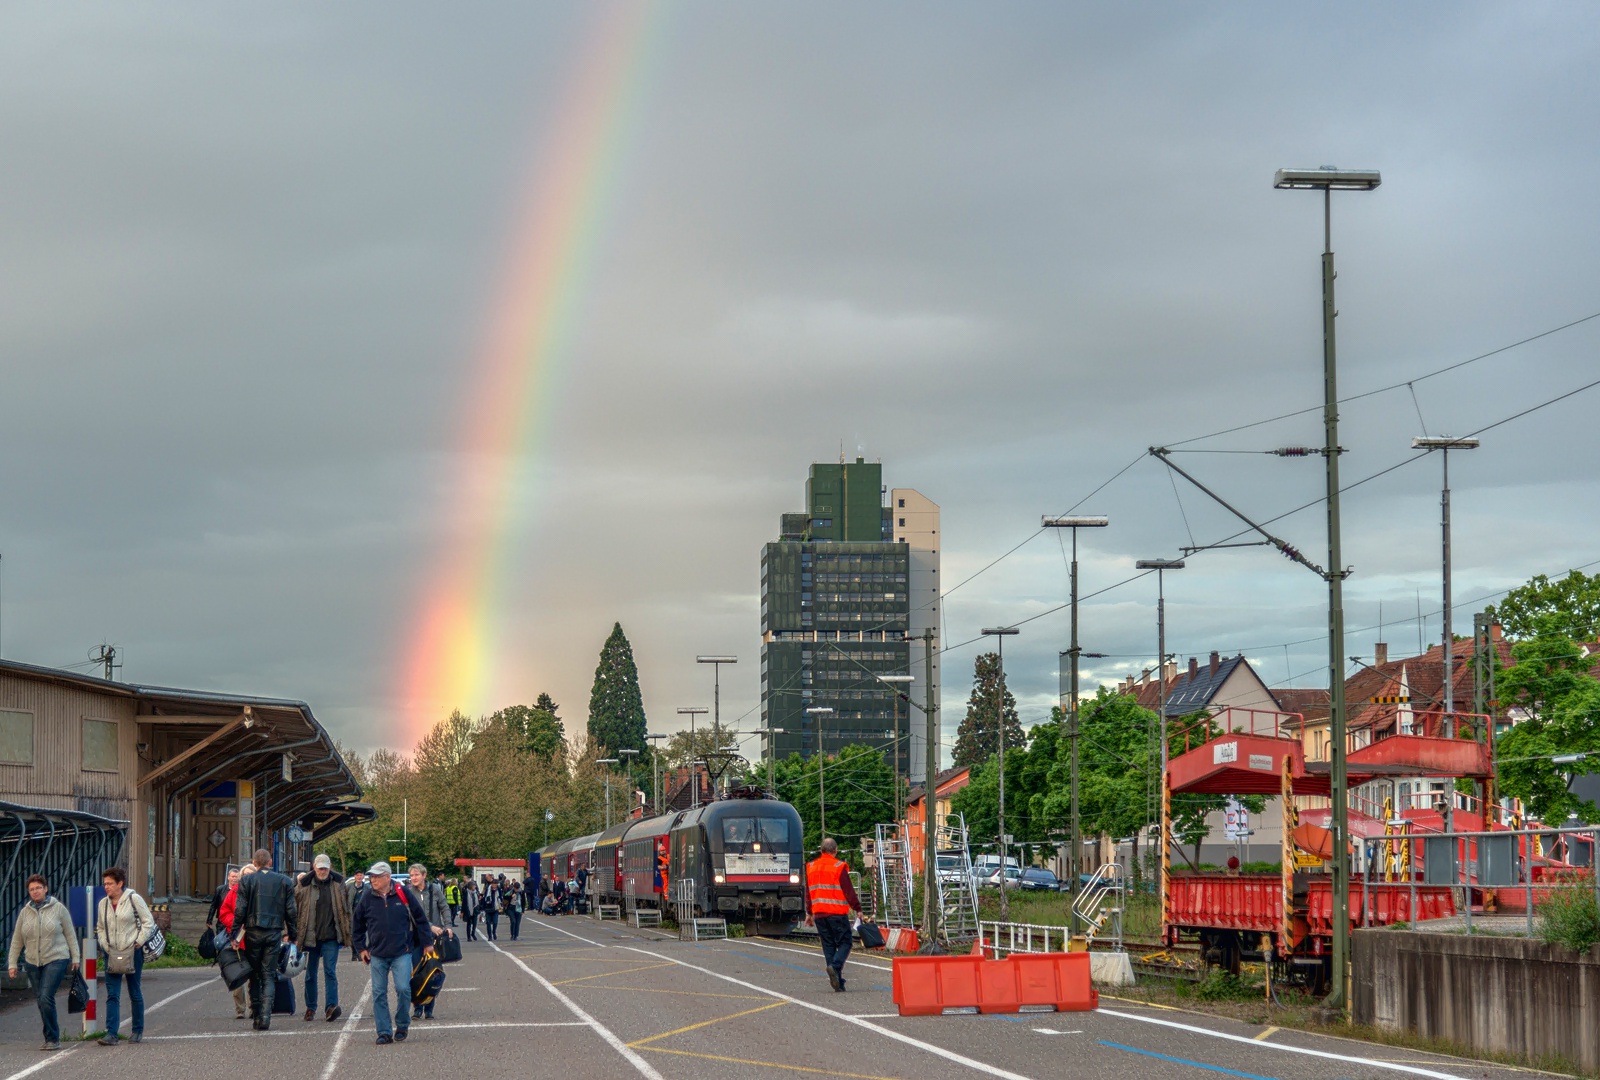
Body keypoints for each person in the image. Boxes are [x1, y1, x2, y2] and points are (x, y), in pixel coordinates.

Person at [351, 861, 432, 1046]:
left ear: (387, 877)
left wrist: (427, 943)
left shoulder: (403, 894)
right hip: (377, 954)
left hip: (401, 952)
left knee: (403, 989)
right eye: (371, 876)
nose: (372, 880)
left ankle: (402, 1024)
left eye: (376, 876)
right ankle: (384, 1032)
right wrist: (361, 948)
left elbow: (420, 919)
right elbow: (356, 924)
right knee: (379, 993)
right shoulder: (367, 897)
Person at [8, 873, 80, 1051]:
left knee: (46, 997)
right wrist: (12, 963)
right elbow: (17, 939)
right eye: (31, 889)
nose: (35, 891)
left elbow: (70, 934)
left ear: (45, 889)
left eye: (38, 888)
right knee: (41, 1000)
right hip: (33, 961)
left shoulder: (58, 908)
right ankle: (50, 1036)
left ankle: (53, 1038)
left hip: (56, 958)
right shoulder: (25, 913)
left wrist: (76, 957)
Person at [232, 847, 297, 1031]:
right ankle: (266, 1015)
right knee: (269, 974)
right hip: (274, 931)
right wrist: (293, 935)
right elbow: (291, 911)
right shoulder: (284, 881)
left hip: (253, 931)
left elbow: (240, 909)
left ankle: (257, 1014)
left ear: (254, 863)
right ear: (270, 862)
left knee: (254, 974)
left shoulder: (247, 881)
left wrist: (235, 934)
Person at [95, 865, 155, 1044]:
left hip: (132, 951)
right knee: (112, 994)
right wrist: (105, 945)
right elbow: (100, 927)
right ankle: (111, 1033)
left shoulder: (133, 899)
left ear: (120, 883)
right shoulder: (103, 903)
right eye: (105, 884)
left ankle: (137, 1030)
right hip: (111, 952)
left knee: (134, 990)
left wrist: (138, 942)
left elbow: (148, 922)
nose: (107, 887)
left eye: (110, 883)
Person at [294, 853, 351, 1022]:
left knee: (330, 971)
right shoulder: (304, 885)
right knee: (310, 974)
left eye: (326, 868)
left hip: (331, 936)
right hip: (310, 936)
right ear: (314, 868)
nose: (323, 871)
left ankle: (331, 1007)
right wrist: (290, 933)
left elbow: (346, 910)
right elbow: (293, 907)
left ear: (330, 867)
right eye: (320, 868)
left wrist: (348, 934)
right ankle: (310, 1008)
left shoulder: (338, 884)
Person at [803, 838, 862, 992]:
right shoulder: (838, 866)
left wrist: (809, 912)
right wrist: (858, 908)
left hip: (820, 914)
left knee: (828, 945)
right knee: (846, 942)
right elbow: (848, 890)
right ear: (835, 850)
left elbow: (809, 892)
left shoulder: (811, 867)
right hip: (836, 913)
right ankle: (835, 967)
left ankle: (838, 981)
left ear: (821, 850)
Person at [407, 863, 449, 1021]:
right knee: (417, 973)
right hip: (416, 939)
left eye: (416, 875)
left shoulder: (435, 890)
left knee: (433, 973)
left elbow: (444, 907)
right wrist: (430, 927)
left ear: (424, 875)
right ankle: (417, 1007)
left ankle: (429, 1008)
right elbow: (411, 915)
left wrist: (448, 926)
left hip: (434, 940)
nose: (414, 878)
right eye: (411, 876)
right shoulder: (409, 893)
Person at [216, 866, 251, 1019]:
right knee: (238, 974)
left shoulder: (260, 890)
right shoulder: (234, 892)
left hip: (256, 939)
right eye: (246, 875)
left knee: (255, 976)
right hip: (239, 939)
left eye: (252, 875)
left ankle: (255, 1007)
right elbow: (223, 913)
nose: (248, 877)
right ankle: (240, 1009)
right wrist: (236, 923)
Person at [481, 876, 501, 941]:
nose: (494, 886)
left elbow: (500, 897)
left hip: (495, 908)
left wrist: (500, 902)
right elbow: (484, 899)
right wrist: (483, 908)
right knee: (488, 923)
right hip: (488, 908)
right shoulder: (488, 889)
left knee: (495, 922)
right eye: (493, 885)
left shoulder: (498, 890)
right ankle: (489, 936)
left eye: (496, 885)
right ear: (492, 884)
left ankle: (494, 932)